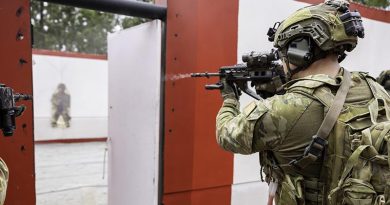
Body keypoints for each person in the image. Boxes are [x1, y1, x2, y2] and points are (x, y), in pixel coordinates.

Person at [216, 0, 389, 204]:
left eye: (284, 51)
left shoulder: (286, 108)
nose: (283, 60)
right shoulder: (373, 87)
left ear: (300, 49)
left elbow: (227, 135)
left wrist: (229, 98)